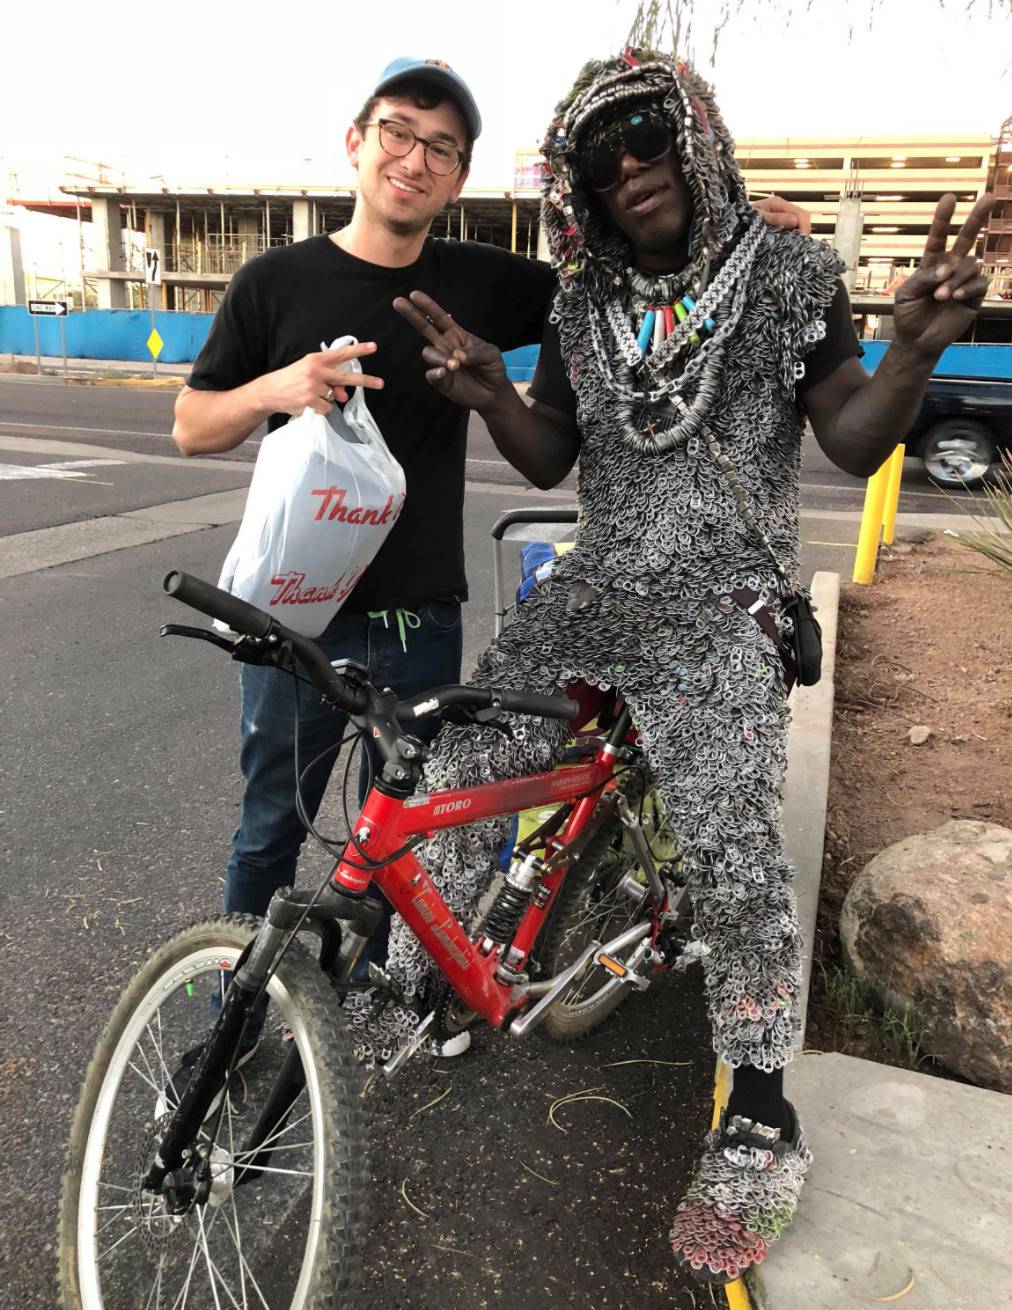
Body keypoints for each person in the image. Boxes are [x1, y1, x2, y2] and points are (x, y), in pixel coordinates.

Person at [355, 47, 993, 1286]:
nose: (629, 166)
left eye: (647, 134)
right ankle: (414, 976)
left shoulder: (792, 273)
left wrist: (911, 355)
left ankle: (759, 1100)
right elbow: (551, 456)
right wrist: (492, 395)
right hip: (596, 586)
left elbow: (853, 441)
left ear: (696, 138)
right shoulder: (580, 300)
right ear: (577, 186)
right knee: (460, 753)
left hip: (723, 597)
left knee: (730, 842)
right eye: (598, 154)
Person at [168, 54, 811, 1068]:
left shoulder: (480, 278)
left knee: (406, 834)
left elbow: (622, 272)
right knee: (267, 830)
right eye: (398, 133)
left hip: (419, 614)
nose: (414, 160)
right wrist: (274, 389)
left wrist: (738, 225)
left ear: (458, 176)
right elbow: (191, 426)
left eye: (442, 149)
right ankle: (232, 1027)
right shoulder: (273, 283)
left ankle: (376, 1000)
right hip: (299, 611)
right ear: (357, 141)